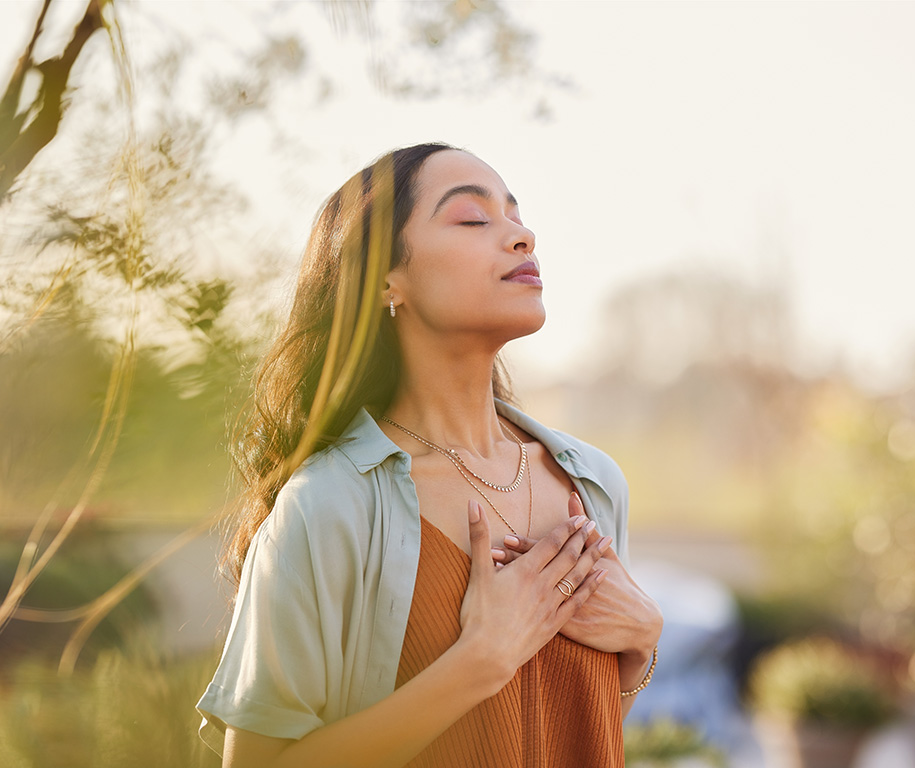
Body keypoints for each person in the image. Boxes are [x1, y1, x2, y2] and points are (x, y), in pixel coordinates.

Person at [196, 143, 663, 768]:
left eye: (516, 216)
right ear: (387, 280)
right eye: (474, 219)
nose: (522, 236)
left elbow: (571, 728)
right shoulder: (328, 506)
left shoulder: (595, 482)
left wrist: (640, 647)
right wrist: (480, 661)